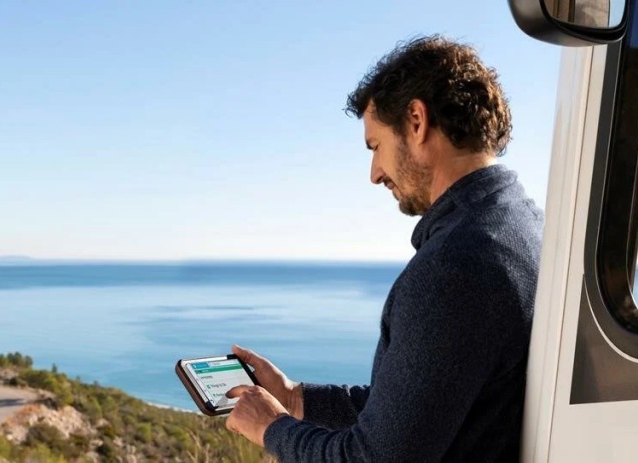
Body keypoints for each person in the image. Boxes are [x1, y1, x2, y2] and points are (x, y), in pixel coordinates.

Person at [223, 34, 544, 462]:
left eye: (376, 146)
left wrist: (272, 428)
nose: (374, 173)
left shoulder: (455, 265)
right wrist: (294, 397)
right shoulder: (525, 226)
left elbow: (374, 457)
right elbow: (417, 411)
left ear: (416, 121)